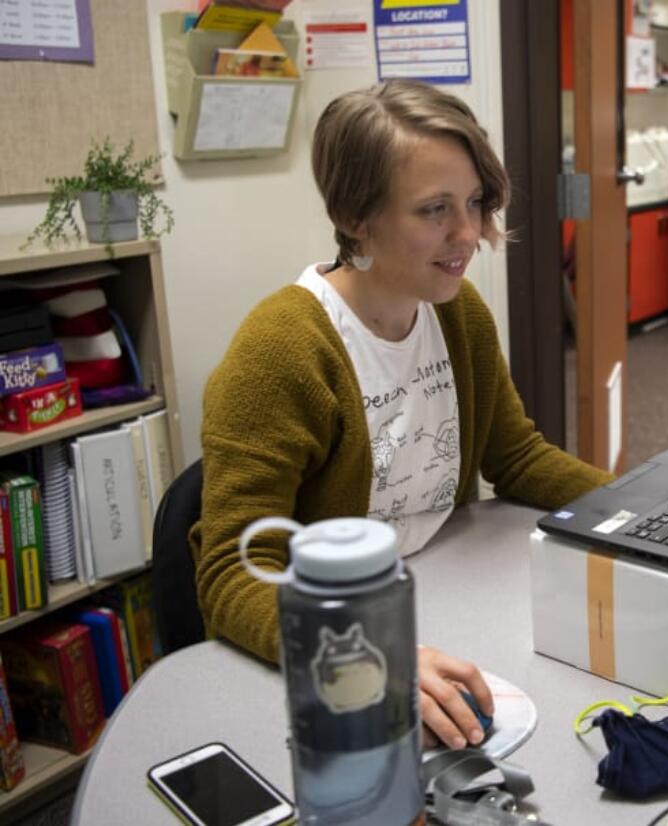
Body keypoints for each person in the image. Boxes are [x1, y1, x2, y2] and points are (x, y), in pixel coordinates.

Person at [189, 79, 612, 751]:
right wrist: (367, 654)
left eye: (474, 203)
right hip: (335, 644)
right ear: (357, 215)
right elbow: (236, 571)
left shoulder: (455, 310)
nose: (468, 234)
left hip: (446, 596)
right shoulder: (280, 352)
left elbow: (518, 458)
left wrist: (644, 509)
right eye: (434, 210)